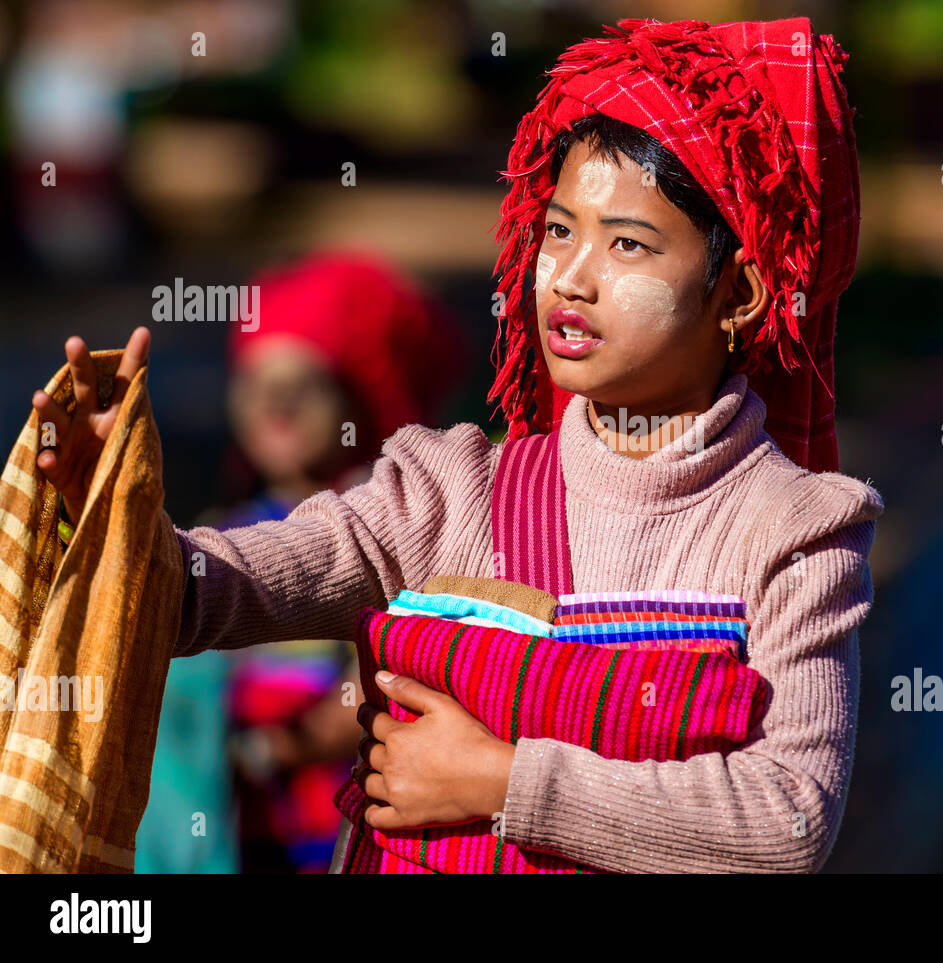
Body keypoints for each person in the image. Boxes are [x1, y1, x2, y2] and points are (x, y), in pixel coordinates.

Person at [33, 16, 883, 873]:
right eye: (558, 230)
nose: (571, 278)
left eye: (626, 242)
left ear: (738, 291)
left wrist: (501, 780)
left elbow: (789, 821)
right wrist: (106, 513)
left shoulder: (793, 530)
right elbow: (209, 593)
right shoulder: (455, 492)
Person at [135, 251, 461, 873]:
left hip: (347, 842)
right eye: (256, 385)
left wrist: (272, 750)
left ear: (358, 397)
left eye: (301, 386)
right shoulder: (227, 527)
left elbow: (380, 685)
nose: (274, 408)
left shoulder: (392, 529)